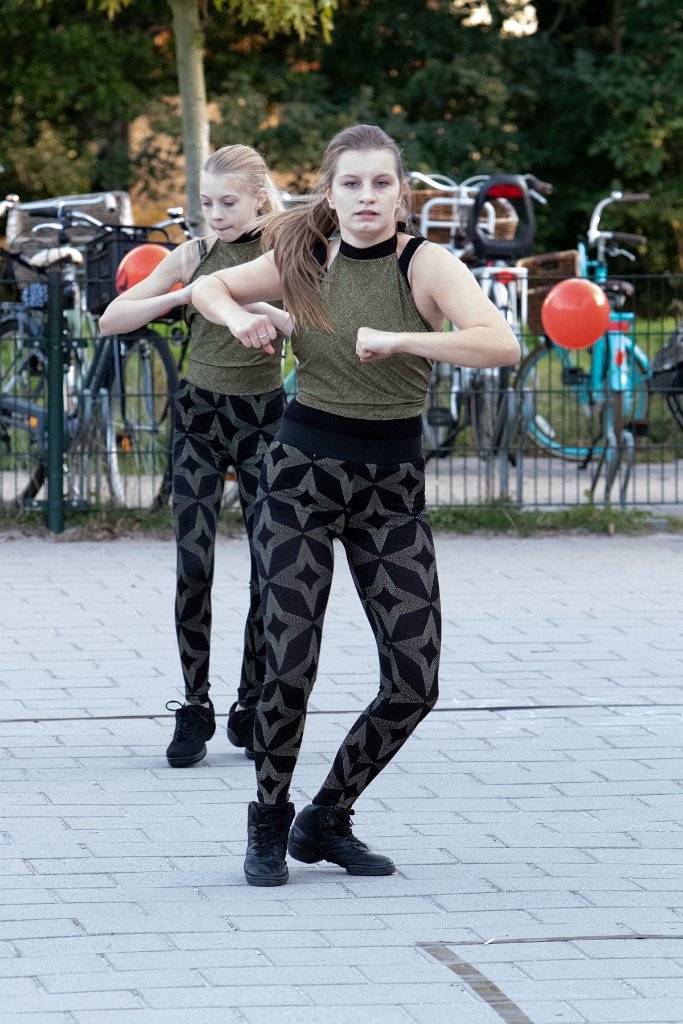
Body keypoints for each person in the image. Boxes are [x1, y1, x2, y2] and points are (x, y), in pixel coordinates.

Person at [192, 124, 520, 886]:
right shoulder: (305, 258)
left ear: (401, 192)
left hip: (391, 489)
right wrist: (238, 317)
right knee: (290, 664)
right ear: (329, 193)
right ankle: (269, 817)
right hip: (298, 481)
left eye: (381, 184)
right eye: (351, 184)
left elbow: (497, 342)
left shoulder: (425, 264)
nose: (367, 196)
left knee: (415, 680)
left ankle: (327, 814)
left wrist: (405, 342)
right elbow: (209, 283)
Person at [99, 145, 292, 768]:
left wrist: (247, 307)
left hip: (264, 422)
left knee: (272, 569)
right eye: (207, 202)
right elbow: (111, 319)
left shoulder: (283, 252)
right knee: (193, 562)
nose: (216, 214)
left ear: (260, 198)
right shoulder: (194, 254)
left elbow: (311, 326)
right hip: (200, 421)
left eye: (228, 202)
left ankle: (250, 702)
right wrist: (182, 297)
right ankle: (195, 704)